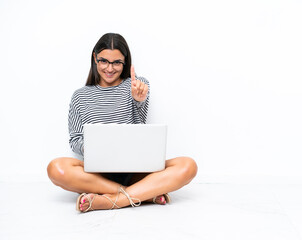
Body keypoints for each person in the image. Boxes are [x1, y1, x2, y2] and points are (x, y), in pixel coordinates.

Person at [47, 33, 198, 213]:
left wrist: (139, 101)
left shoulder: (136, 85)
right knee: (56, 168)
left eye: (117, 62)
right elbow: (75, 140)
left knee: (188, 166)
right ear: (95, 58)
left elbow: (140, 126)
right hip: (97, 174)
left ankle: (113, 200)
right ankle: (144, 194)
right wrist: (93, 147)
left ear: (125, 62)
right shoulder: (80, 96)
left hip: (136, 170)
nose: (110, 68)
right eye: (104, 61)